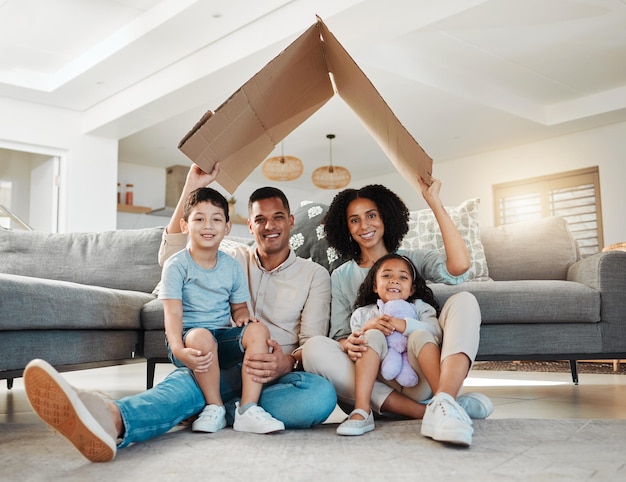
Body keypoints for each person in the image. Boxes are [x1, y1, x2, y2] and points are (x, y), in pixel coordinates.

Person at [24, 162, 336, 463]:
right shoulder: (229, 257)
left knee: (320, 396)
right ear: (248, 225)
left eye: (278, 217)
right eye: (260, 219)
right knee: (202, 373)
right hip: (224, 358)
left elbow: (310, 342)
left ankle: (207, 406)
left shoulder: (315, 275)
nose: (270, 226)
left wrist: (286, 362)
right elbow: (172, 256)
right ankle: (114, 418)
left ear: (291, 221)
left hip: (275, 374)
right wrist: (192, 187)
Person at [302, 177, 492, 447]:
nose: (364, 225)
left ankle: (445, 399)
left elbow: (459, 266)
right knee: (313, 349)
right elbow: (340, 335)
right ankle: (431, 411)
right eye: (354, 219)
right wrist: (350, 342)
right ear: (345, 227)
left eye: (371, 216)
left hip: (419, 370)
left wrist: (434, 202)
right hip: (371, 380)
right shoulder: (341, 275)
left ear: (386, 218)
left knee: (465, 300)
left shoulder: (411, 258)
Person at [160, 186, 284, 434]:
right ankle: (214, 406)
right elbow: (172, 313)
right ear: (185, 226)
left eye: (216, 219)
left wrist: (242, 318)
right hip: (189, 340)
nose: (208, 226)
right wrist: (177, 349)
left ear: (227, 228)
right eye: (199, 219)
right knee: (201, 336)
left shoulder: (231, 266)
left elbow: (238, 308)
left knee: (258, 330)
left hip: (222, 337)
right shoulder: (176, 266)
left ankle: (247, 409)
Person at [336, 253, 441, 436]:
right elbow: (354, 347)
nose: (394, 281)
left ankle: (443, 403)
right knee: (372, 335)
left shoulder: (420, 307)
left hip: (418, 382)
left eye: (403, 277)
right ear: (375, 286)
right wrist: (368, 328)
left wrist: (403, 325)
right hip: (383, 383)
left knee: (421, 334)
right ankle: (362, 410)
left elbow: (435, 333)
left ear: (412, 289)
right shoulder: (362, 314)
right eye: (387, 275)